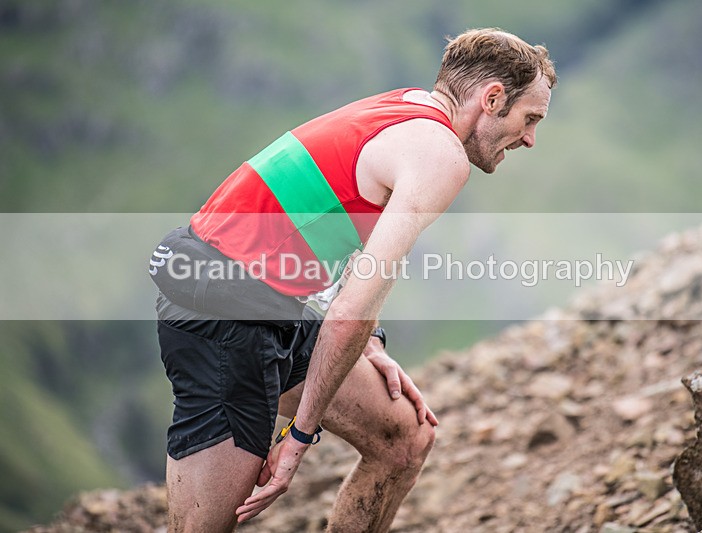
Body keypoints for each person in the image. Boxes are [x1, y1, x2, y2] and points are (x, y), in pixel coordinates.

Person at [151, 27, 556, 532]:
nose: (531, 139)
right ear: (492, 98)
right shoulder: (442, 157)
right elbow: (349, 313)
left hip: (255, 297)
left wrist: (372, 348)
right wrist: (298, 440)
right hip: (224, 311)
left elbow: (338, 232)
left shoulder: (409, 107)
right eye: (529, 118)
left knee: (404, 438)